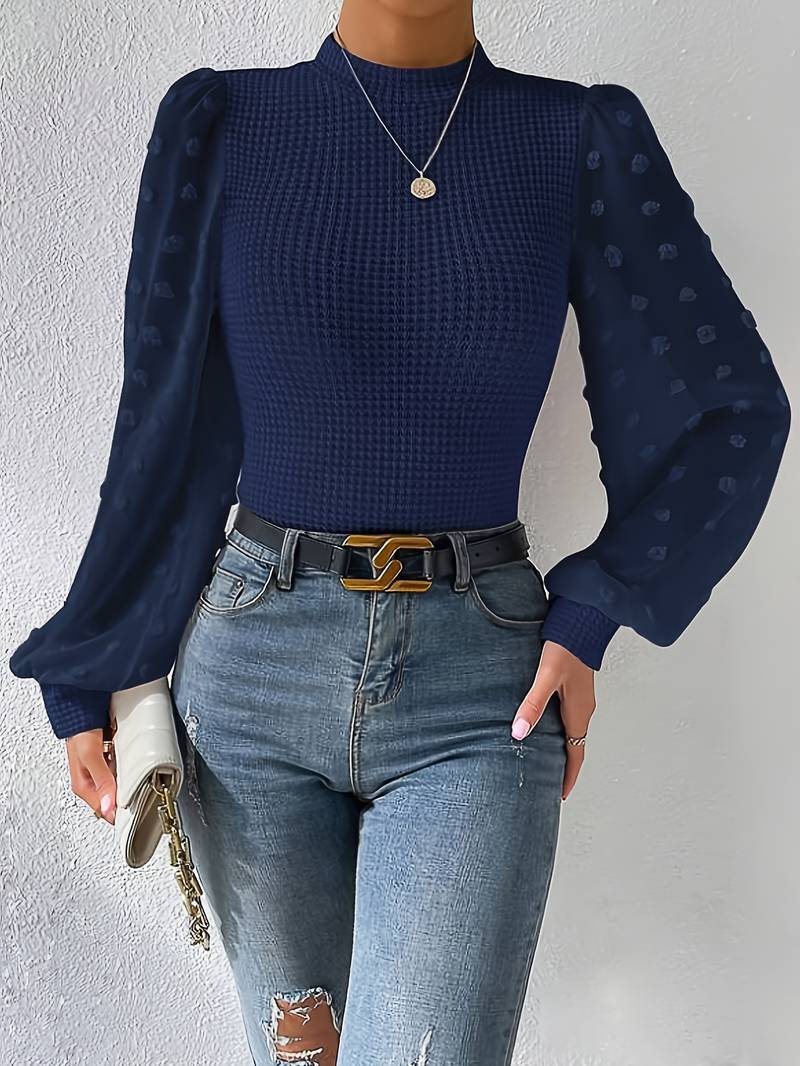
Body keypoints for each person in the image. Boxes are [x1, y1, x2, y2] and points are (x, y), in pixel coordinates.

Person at [8, 2, 791, 1063]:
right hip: (250, 679)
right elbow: (162, 419)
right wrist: (101, 655)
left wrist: (600, 605)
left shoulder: (576, 137)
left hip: (481, 694)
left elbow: (732, 410)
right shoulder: (222, 123)